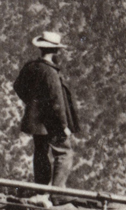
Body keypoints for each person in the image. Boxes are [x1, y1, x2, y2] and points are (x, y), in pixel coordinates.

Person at [12, 30, 81, 194]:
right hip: (51, 123)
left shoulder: (31, 67)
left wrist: (33, 105)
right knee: (64, 153)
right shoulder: (50, 72)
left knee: (41, 152)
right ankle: (58, 194)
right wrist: (63, 125)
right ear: (56, 50)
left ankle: (41, 190)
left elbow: (18, 86)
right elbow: (57, 102)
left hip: (36, 123)